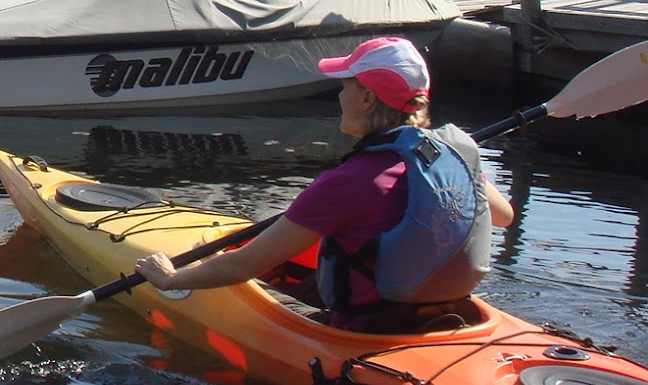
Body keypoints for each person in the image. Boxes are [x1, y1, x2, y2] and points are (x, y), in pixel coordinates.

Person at [133, 36, 515, 332]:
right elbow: (501, 216)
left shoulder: (348, 182)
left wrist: (170, 279)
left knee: (246, 288)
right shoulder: (454, 157)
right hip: (446, 316)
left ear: (366, 97)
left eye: (345, 84)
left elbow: (244, 266)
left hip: (368, 330)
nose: (339, 94)